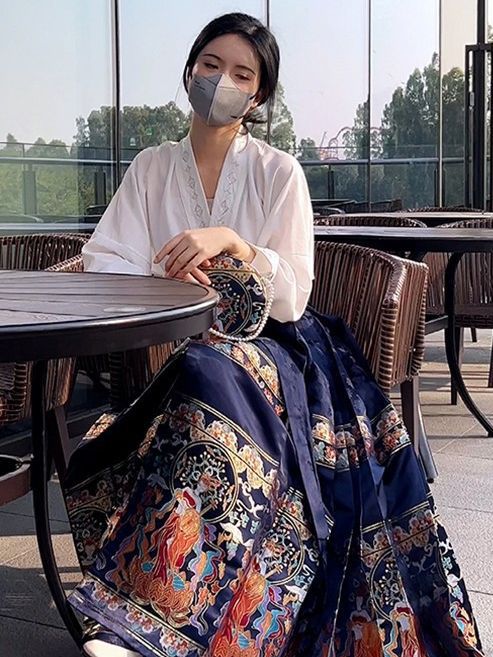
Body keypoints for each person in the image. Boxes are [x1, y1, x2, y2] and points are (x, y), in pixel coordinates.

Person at [66, 12, 484, 657]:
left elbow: (293, 291)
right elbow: (105, 260)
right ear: (189, 70)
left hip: (284, 349)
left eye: (241, 74)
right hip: (185, 345)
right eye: (211, 65)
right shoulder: (151, 168)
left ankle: (149, 625)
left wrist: (235, 244)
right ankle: (151, 613)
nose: (221, 82)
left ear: (258, 94)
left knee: (209, 370)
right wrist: (164, 269)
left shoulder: (278, 171)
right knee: (197, 372)